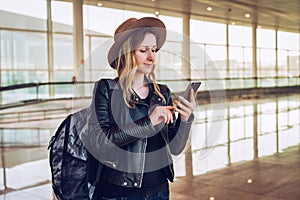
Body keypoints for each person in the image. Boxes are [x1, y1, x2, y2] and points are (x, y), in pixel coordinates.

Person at [87, 17, 197, 200]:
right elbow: (100, 144)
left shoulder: (161, 93)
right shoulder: (107, 89)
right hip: (119, 192)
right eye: (143, 50)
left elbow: (175, 148)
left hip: (159, 191)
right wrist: (149, 121)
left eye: (154, 50)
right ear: (127, 53)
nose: (152, 57)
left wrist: (185, 120)